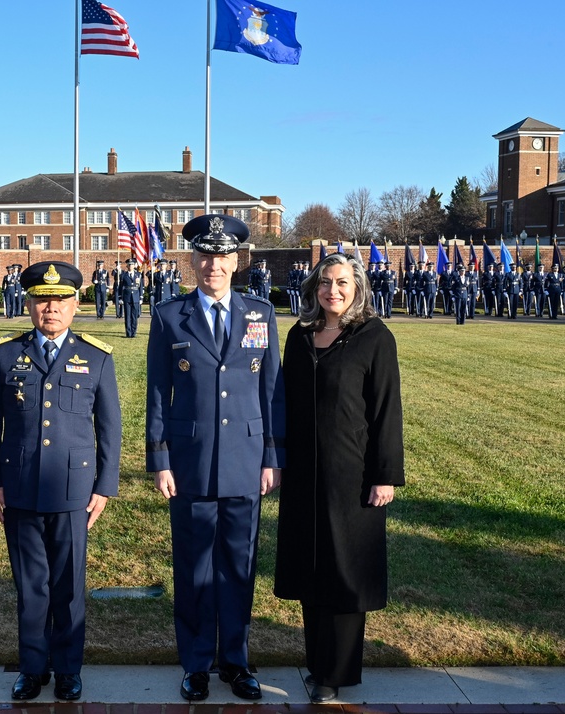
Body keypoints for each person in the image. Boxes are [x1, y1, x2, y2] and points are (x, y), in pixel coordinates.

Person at [146, 214, 285, 703]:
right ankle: (196, 663)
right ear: (193, 260)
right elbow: (158, 393)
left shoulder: (259, 314)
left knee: (238, 565)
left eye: (222, 257)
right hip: (190, 461)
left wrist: (272, 456)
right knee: (194, 567)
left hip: (247, 461)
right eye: (205, 256)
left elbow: (272, 391)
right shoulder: (169, 316)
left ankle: (237, 661)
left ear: (235, 261)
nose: (214, 266)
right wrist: (159, 459)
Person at [0, 261, 121, 702]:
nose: (51, 308)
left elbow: (110, 428)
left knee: (69, 585)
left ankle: (68, 669)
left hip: (74, 490)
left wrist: (104, 486)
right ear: (28, 304)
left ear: (76, 305)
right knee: (30, 585)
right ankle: (32, 667)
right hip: (19, 486)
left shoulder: (96, 357)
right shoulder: (4, 355)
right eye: (42, 300)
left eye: (60, 301)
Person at [273, 252, 405, 704]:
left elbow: (387, 411)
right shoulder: (299, 335)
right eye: (326, 282)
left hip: (353, 473)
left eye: (343, 283)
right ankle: (316, 665)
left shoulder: (374, 337)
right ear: (315, 288)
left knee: (345, 571)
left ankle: (337, 672)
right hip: (304, 472)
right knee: (312, 569)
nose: (334, 290)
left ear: (358, 288)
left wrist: (384, 475)